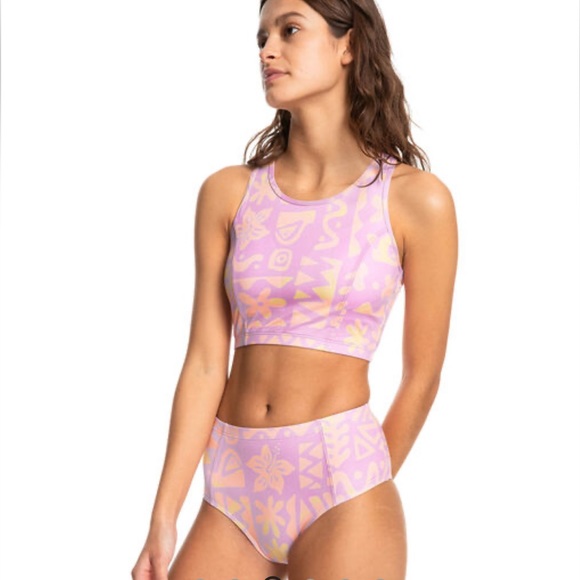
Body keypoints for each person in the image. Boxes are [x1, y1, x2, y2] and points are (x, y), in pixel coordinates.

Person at [132, 0, 458, 578]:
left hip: (343, 482)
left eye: (289, 31)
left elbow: (421, 377)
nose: (268, 51)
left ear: (348, 45)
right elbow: (205, 363)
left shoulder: (415, 200)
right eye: (261, 38)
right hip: (231, 486)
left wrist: (358, 480)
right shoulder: (229, 194)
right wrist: (164, 515)